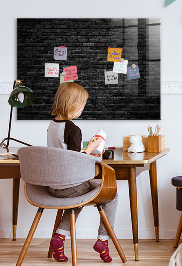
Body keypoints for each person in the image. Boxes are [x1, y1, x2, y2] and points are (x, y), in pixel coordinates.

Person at [47, 82, 118, 263]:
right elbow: (75, 161)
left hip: (53, 186)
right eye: (82, 106)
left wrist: (88, 150)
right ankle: (103, 240)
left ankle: (59, 238)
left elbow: (64, 154)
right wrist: (92, 148)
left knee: (77, 198)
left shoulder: (52, 125)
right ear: (73, 105)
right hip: (70, 186)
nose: (82, 109)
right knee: (112, 194)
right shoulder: (73, 129)